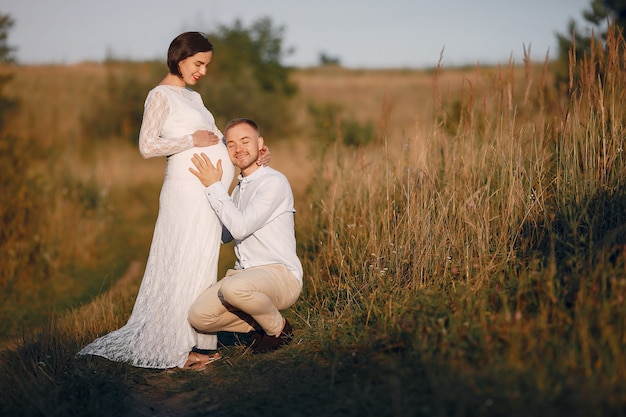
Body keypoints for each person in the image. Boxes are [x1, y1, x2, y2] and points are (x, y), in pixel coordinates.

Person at [78, 32, 268, 370]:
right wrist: (188, 139)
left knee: (201, 262)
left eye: (206, 66)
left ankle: (200, 342)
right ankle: (176, 345)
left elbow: (214, 139)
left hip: (207, 192)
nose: (203, 71)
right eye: (199, 64)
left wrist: (247, 151)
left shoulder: (195, 98)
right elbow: (147, 146)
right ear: (180, 57)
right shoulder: (159, 96)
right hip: (184, 193)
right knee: (181, 261)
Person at [187, 118, 303, 354]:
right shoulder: (239, 189)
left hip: (280, 274)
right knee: (199, 315)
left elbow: (240, 228)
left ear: (260, 143)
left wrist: (214, 186)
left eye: (245, 140)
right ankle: (259, 326)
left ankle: (279, 329)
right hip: (246, 276)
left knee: (233, 289)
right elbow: (227, 235)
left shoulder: (274, 182)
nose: (238, 148)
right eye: (231, 144)